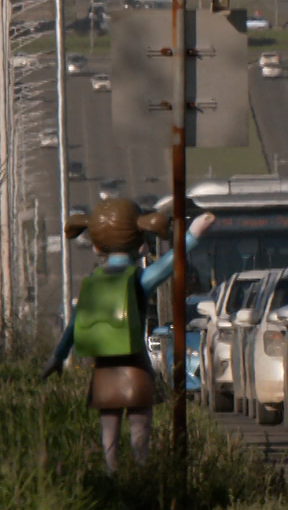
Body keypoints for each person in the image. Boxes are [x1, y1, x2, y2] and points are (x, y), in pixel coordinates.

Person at [42, 200, 215, 471]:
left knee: (108, 424)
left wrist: (57, 356)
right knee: (139, 422)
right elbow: (170, 263)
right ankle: (140, 470)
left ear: (97, 245)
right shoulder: (137, 279)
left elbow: (74, 325)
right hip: (135, 365)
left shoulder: (93, 281)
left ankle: (112, 472)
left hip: (103, 369)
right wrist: (192, 236)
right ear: (140, 241)